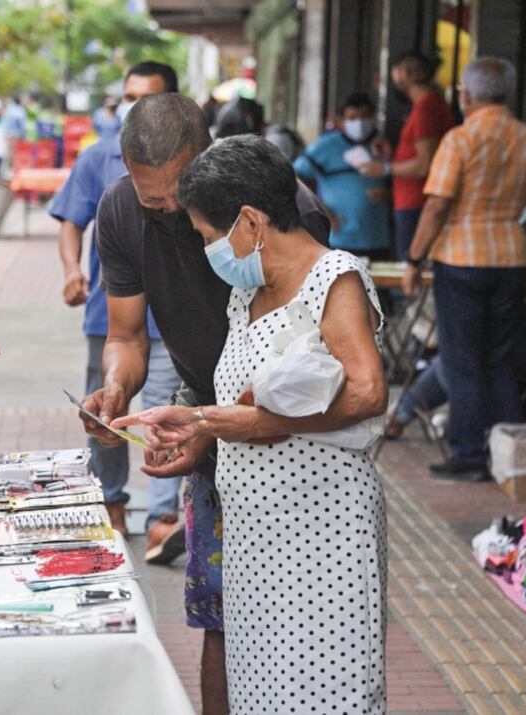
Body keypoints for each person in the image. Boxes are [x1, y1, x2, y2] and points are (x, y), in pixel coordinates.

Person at [114, 135, 388, 713]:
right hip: (252, 541)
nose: (208, 247)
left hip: (322, 535)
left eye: (210, 235)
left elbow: (365, 392)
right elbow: (240, 400)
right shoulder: (247, 295)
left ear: (250, 220)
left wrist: (254, 422)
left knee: (322, 691)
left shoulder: (333, 277)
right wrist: (196, 424)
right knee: (261, 693)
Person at [79, 93, 330, 715]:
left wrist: (208, 425)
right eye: (150, 198)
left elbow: (305, 368)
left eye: (176, 195)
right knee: (219, 616)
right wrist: (117, 388)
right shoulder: (119, 209)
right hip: (204, 426)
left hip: (294, 443)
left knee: (295, 618)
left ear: (207, 153)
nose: (165, 210)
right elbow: (127, 336)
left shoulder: (282, 205)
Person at [49, 61, 185, 558]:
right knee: (110, 404)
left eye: (145, 98)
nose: (133, 108)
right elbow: (70, 221)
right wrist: (71, 271)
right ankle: (111, 501)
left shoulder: (203, 172)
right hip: (113, 313)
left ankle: (165, 516)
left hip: (173, 320)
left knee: (169, 409)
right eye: (127, 96)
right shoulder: (100, 161)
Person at [403, 57, 526, 481]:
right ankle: (512, 460)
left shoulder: (460, 140)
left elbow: (436, 206)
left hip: (461, 260)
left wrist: (415, 258)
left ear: (465, 97)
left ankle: (469, 456)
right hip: (510, 258)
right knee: (499, 361)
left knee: (463, 362)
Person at [360, 52, 454, 260]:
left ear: (406, 73)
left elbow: (425, 164)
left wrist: (384, 169)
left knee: (411, 271)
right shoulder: (428, 105)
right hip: (412, 201)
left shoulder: (426, 108)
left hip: (416, 203)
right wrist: (393, 156)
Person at [294, 92, 391, 258]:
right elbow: (295, 176)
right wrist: (320, 209)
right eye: (353, 118)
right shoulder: (325, 147)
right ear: (341, 121)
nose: (359, 123)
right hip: (339, 238)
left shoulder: (384, 146)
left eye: (365, 117)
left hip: (378, 238)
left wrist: (388, 193)